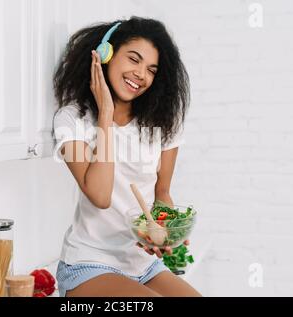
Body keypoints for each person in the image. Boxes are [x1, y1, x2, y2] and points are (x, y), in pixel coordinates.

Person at [52, 16, 201, 297]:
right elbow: (100, 195)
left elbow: (162, 192)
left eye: (151, 70)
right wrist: (105, 116)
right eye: (133, 59)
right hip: (89, 264)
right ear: (107, 54)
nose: (141, 74)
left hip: (145, 265)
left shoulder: (164, 123)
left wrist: (164, 231)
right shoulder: (72, 120)